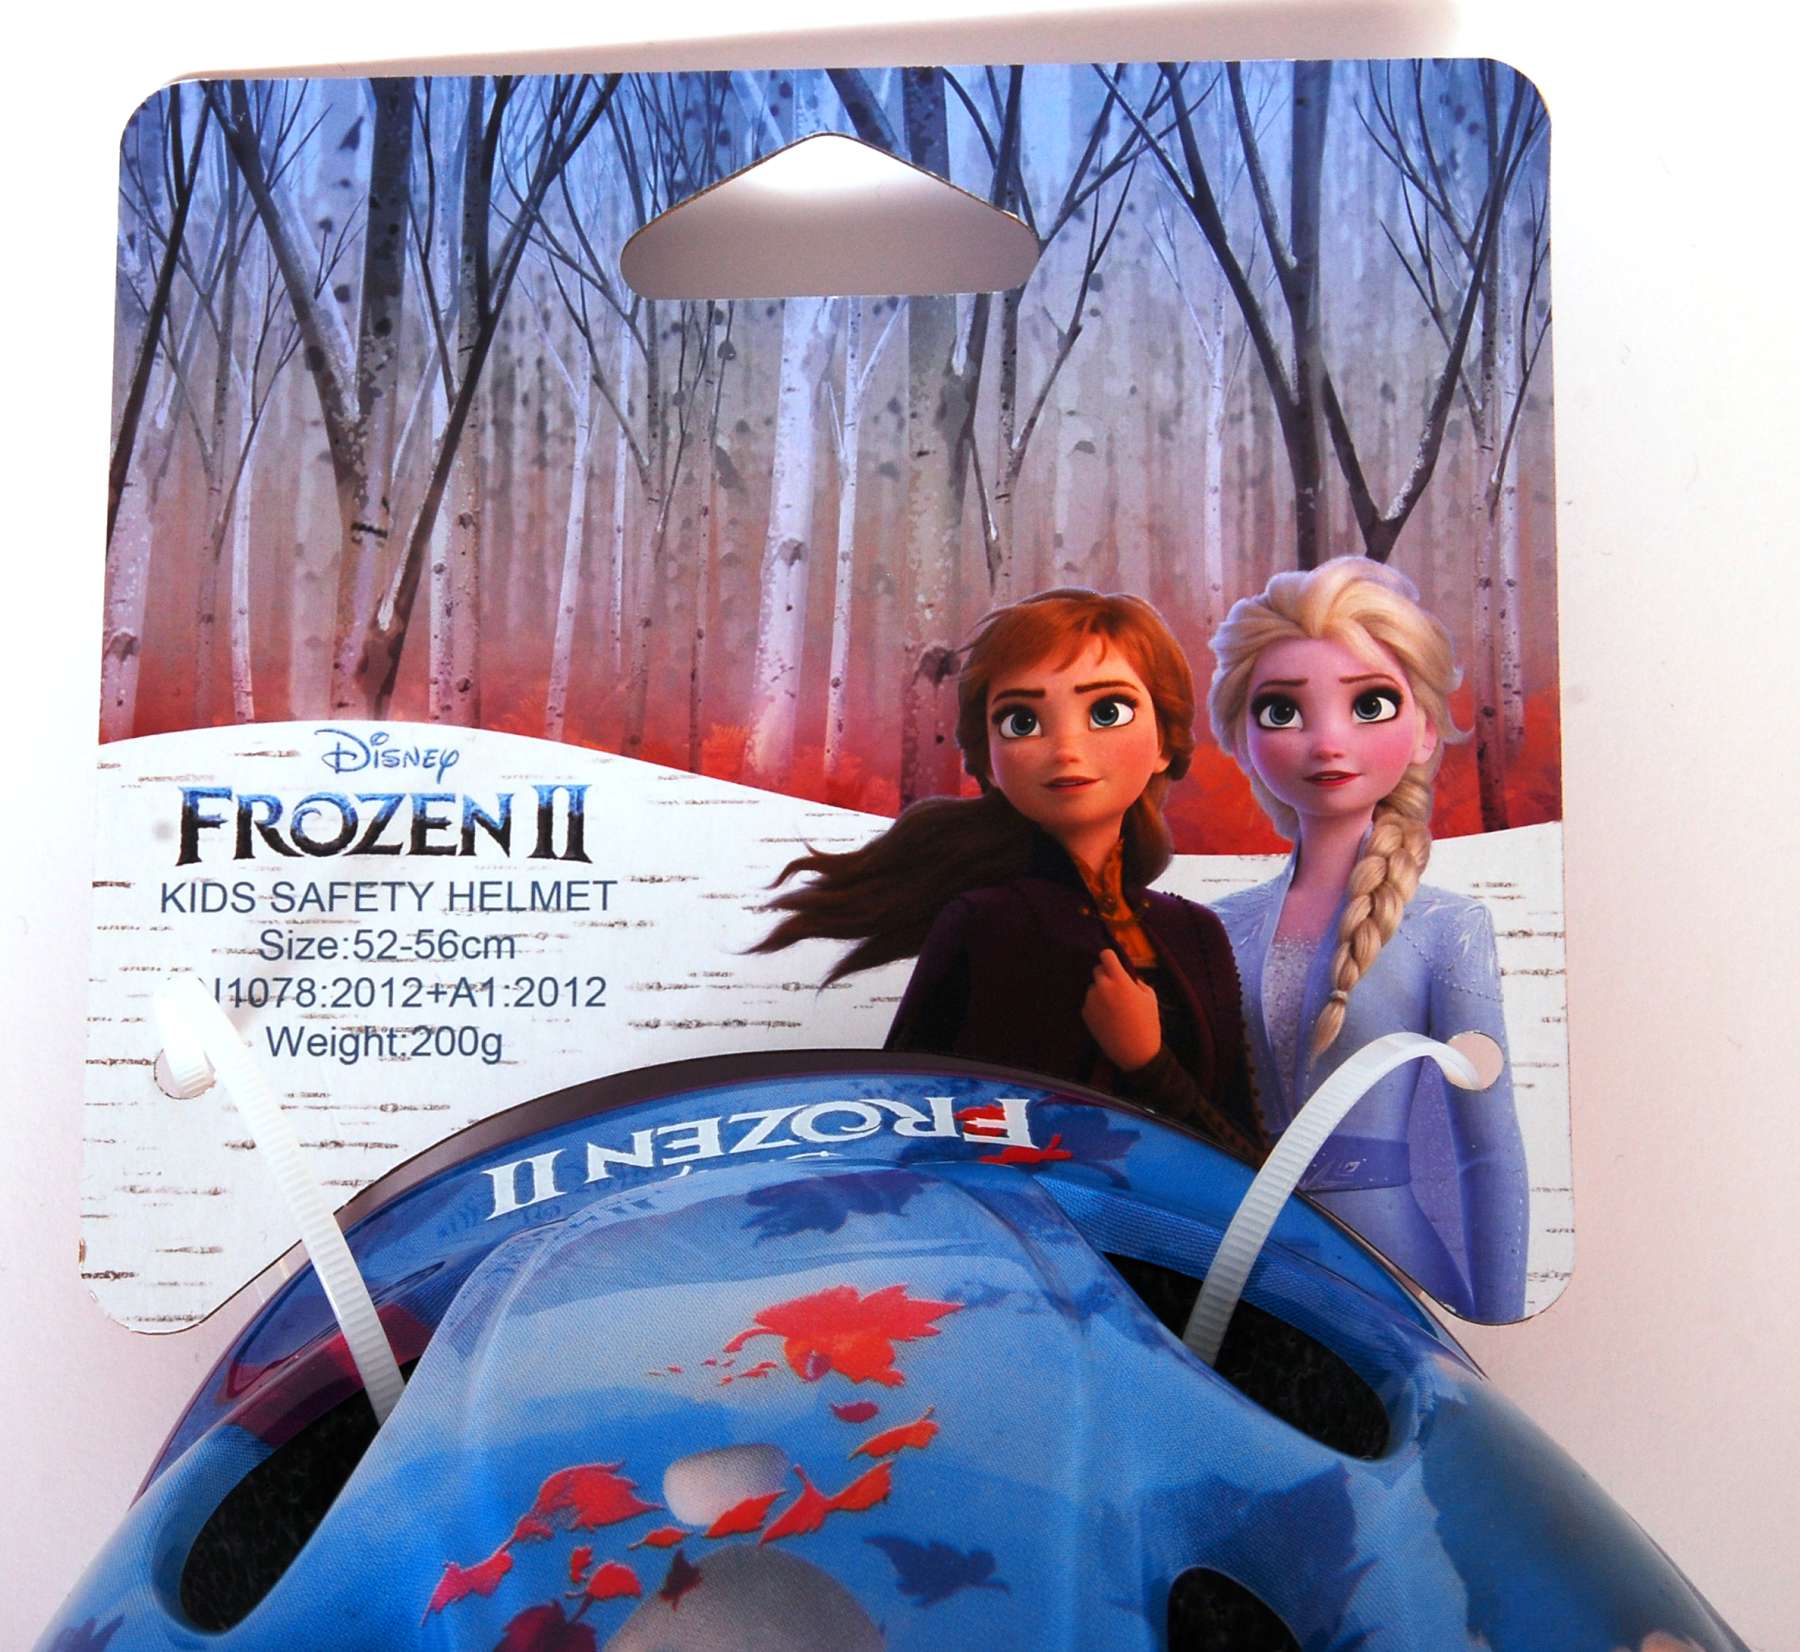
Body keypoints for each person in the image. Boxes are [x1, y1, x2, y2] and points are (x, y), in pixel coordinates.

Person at [757, 589, 1264, 1163]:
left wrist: (1149, 1063)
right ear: (991, 764)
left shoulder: (1194, 932)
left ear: (1165, 744)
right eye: (1022, 721)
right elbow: (914, 1124)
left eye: (1107, 712)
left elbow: (1248, 1158)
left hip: (1183, 1220)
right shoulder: (989, 923)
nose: (1066, 748)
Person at [1207, 556, 1528, 1320]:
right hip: (1238, 1263)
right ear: (1242, 738)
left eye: (1371, 704)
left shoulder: (1447, 929)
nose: (1327, 742)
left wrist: (1499, 1324)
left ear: (1423, 732)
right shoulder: (1216, 927)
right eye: (1281, 711)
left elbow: (1488, 1152)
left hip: (1390, 1271)